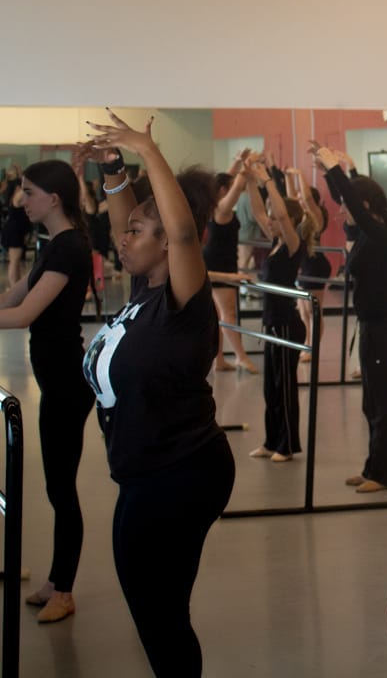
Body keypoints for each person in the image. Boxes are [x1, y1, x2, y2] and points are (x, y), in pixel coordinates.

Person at [82, 109, 235, 675]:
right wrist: (113, 170)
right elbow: (135, 224)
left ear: (168, 244)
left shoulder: (182, 304)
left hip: (179, 472)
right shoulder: (144, 290)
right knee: (159, 609)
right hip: (148, 471)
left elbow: (182, 233)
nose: (122, 240)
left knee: (160, 614)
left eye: (137, 233)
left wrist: (148, 150)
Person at [0, 160, 95, 623]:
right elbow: (12, 297)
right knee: (56, 486)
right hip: (54, 381)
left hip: (67, 385)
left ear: (54, 199)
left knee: (62, 489)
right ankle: (57, 581)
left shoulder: (70, 248)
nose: (22, 200)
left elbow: (23, 316)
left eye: (29, 191)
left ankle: (65, 589)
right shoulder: (53, 244)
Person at [311, 143, 387, 493]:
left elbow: (351, 200)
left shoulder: (379, 233)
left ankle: (385, 475)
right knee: (371, 403)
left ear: (364, 206)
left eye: (349, 207)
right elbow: (347, 199)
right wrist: (326, 171)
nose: (341, 212)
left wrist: (335, 168)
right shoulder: (366, 235)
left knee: (383, 404)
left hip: (384, 327)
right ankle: (372, 468)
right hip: (371, 326)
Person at [239, 154, 307, 462]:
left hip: (286, 324)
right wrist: (249, 180)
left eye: (276, 218)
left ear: (288, 221)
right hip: (272, 323)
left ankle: (287, 445)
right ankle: (271, 441)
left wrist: (267, 179)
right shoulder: (275, 242)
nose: (270, 220)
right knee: (271, 387)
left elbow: (279, 211)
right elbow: (258, 211)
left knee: (285, 387)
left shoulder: (293, 244)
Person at [205, 154, 259, 374]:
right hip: (220, 264)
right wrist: (246, 169)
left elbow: (226, 181)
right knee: (228, 314)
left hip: (219, 260)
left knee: (218, 315)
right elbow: (235, 188)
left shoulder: (213, 206)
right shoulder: (221, 209)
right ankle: (240, 356)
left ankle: (218, 360)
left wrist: (237, 162)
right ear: (222, 190)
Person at [288, 167, 330, 365]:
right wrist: (288, 177)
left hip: (316, 266)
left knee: (314, 311)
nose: (300, 199)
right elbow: (291, 199)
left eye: (302, 197)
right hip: (303, 266)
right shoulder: (301, 216)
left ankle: (314, 348)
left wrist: (299, 174)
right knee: (303, 311)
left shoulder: (316, 216)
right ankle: (307, 343)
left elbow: (307, 198)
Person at [3, 163, 33, 289]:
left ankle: (15, 286)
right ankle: (13, 287)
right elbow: (24, 187)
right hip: (14, 231)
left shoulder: (15, 198)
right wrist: (21, 175)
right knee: (14, 262)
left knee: (16, 262)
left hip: (15, 230)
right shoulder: (16, 199)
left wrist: (20, 172)